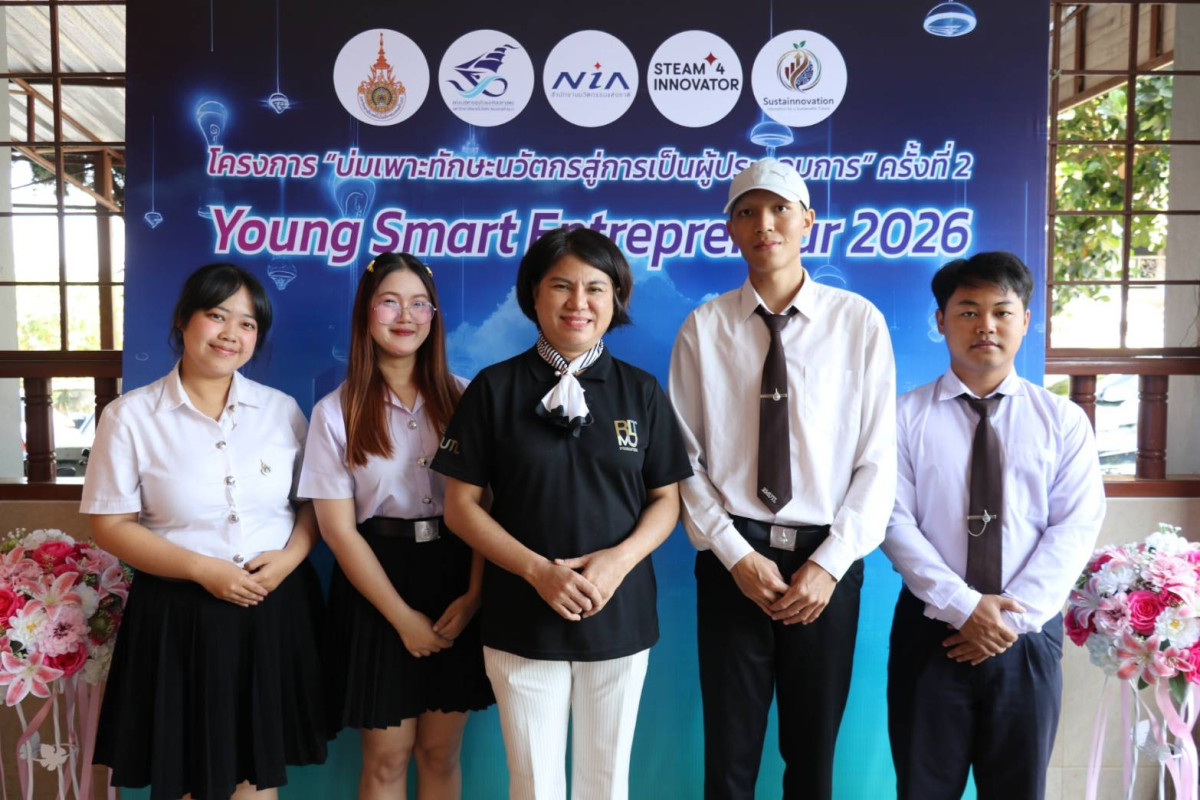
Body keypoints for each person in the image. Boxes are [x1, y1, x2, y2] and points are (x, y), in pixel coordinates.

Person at [434, 227, 692, 800]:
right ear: (534, 294)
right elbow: (461, 508)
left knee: (607, 782)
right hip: (520, 615)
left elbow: (666, 500)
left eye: (595, 288)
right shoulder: (494, 388)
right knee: (533, 783)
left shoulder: (641, 391)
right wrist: (538, 572)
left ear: (616, 298)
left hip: (618, 613)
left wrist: (616, 563)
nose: (579, 302)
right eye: (561, 286)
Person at [668, 158, 897, 800]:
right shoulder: (704, 328)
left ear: (807, 222)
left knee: (812, 757)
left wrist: (830, 564)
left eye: (779, 209)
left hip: (826, 563)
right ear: (731, 229)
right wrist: (734, 555)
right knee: (729, 757)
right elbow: (683, 460)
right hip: (733, 561)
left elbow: (878, 459)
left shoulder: (858, 323)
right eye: (747, 212)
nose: (763, 224)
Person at [80, 263, 328, 800]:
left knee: (258, 774)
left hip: (272, 608)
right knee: (195, 775)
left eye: (247, 324)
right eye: (217, 315)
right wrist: (201, 569)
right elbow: (111, 525)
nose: (230, 334)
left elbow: (313, 505)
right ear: (183, 320)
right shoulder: (129, 417)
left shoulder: (281, 411)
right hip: (180, 616)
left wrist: (290, 558)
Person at [881, 251, 1105, 800]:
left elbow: (1076, 524)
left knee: (1018, 789)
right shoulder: (902, 417)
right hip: (932, 628)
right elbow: (890, 519)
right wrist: (963, 606)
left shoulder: (1063, 421)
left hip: (1025, 634)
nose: (986, 326)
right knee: (923, 788)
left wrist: (1006, 619)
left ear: (1025, 321)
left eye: (1002, 311)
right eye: (968, 311)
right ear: (941, 321)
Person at [298, 252, 493, 800]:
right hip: (375, 581)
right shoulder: (335, 412)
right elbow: (338, 531)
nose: (405, 316)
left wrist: (475, 595)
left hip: (456, 573)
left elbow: (487, 507)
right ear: (366, 313)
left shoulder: (467, 398)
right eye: (389, 302)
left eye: (418, 304)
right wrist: (402, 618)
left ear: (434, 317)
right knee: (386, 758)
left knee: (440, 753)